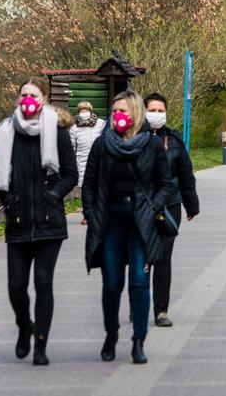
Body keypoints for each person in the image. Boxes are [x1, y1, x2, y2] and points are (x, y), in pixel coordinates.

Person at [0, 76, 78, 365]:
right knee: (16, 286)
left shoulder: (57, 130)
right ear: (18, 99)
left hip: (48, 222)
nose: (28, 99)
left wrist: (53, 195)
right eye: (23, 94)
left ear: (43, 99)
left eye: (33, 94)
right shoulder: (6, 132)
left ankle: (41, 343)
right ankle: (24, 325)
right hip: (17, 220)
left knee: (43, 282)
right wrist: (10, 201)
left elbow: (70, 174)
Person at [82, 90, 173, 364]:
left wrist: (153, 207)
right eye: (114, 112)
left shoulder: (151, 145)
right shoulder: (102, 144)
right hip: (110, 218)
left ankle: (138, 340)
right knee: (111, 283)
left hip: (140, 220)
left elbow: (165, 183)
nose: (117, 116)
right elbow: (89, 183)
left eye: (123, 111)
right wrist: (90, 211)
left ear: (135, 113)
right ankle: (111, 334)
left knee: (139, 280)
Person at [144, 93, 200, 327]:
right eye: (152, 110)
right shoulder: (135, 138)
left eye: (160, 111)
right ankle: (139, 303)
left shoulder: (174, 140)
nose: (156, 114)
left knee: (163, 257)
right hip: (143, 206)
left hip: (170, 205)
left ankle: (161, 311)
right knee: (142, 257)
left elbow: (185, 173)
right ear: (144, 111)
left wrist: (191, 204)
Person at [70, 101, 105, 186]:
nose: (84, 112)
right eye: (82, 111)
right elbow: (72, 147)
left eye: (86, 110)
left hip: (98, 157)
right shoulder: (74, 128)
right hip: (82, 158)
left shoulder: (100, 123)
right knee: (84, 184)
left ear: (91, 111)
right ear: (79, 112)